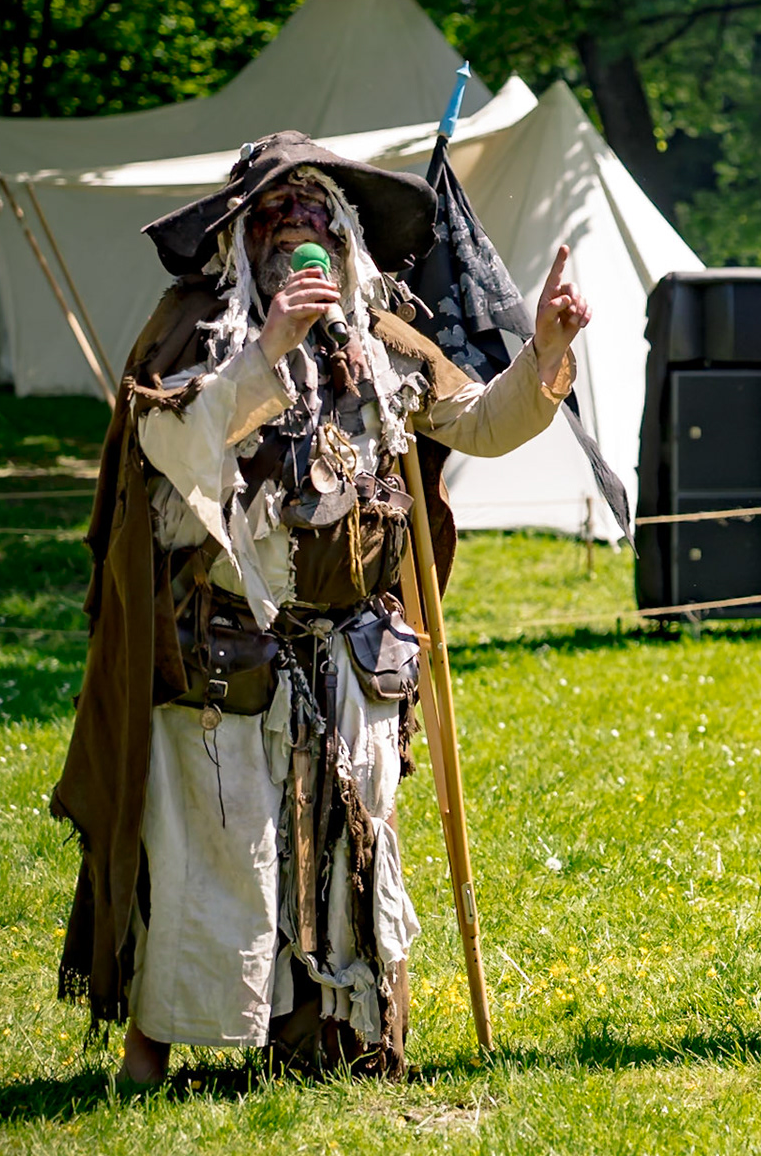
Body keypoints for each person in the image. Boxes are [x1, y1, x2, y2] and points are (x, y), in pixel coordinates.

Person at [52, 132, 589, 1083]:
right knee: (212, 858)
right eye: (276, 215)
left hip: (350, 662)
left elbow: (477, 422)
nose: (299, 231)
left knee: (347, 858)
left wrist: (544, 351)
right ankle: (151, 1053)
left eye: (317, 216)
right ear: (242, 238)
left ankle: (322, 1038)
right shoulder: (197, 330)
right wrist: (268, 352)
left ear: (346, 240)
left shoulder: (380, 342)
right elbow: (176, 451)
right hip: (223, 653)